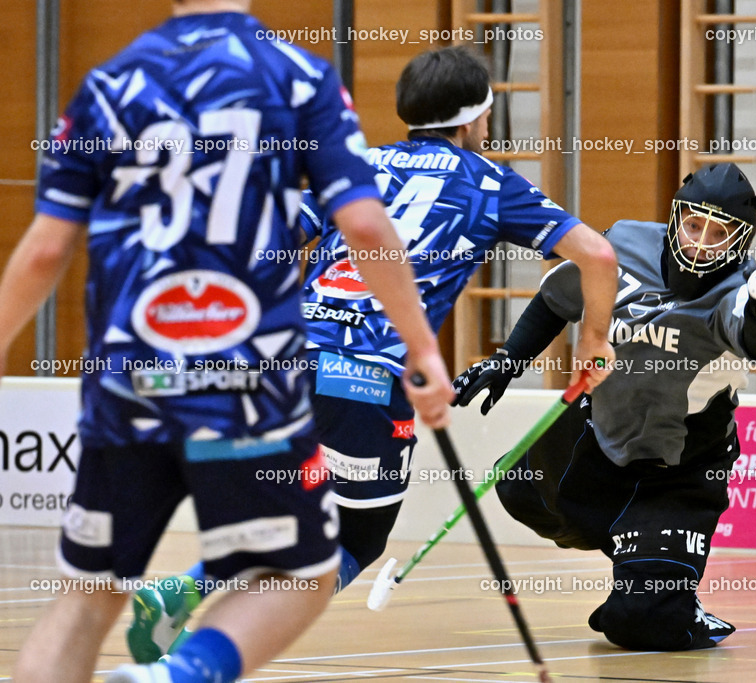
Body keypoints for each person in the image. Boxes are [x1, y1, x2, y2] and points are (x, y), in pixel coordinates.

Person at [1, 1, 450, 681]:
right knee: (304, 570)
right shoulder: (300, 77)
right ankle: (174, 675)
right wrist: (421, 347)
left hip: (129, 379)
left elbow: (44, 251)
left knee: (87, 595)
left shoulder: (109, 83)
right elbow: (362, 225)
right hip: (246, 385)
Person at [124, 44, 618, 663]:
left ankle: (187, 588)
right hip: (365, 382)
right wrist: (593, 342)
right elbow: (597, 255)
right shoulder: (493, 184)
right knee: (355, 536)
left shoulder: (356, 164)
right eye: (489, 113)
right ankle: (193, 669)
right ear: (473, 119)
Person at [452, 162, 756, 651]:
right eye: (693, 224)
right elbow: (557, 299)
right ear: (675, 217)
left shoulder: (746, 288)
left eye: (718, 234)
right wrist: (508, 360)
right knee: (517, 492)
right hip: (596, 437)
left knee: (643, 626)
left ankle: (660, 573)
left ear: (741, 241)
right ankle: (637, 547)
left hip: (680, 470)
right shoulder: (624, 245)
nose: (699, 242)